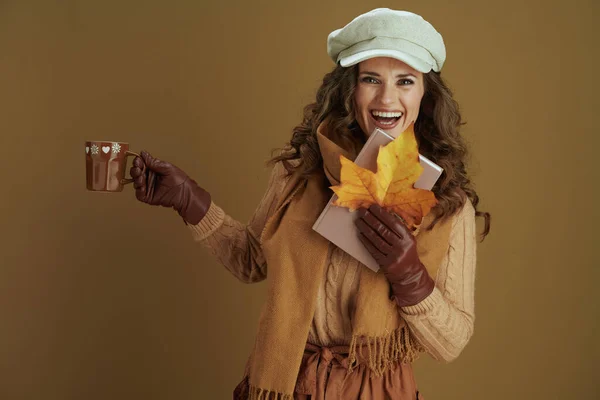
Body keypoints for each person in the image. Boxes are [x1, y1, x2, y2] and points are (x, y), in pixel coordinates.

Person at [129, 8, 491, 400]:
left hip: (377, 392)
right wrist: (189, 201)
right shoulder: (299, 174)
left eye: (406, 81)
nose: (387, 98)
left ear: (426, 93)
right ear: (349, 90)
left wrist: (410, 277)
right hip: (286, 383)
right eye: (371, 79)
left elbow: (450, 343)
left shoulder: (448, 207)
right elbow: (251, 260)